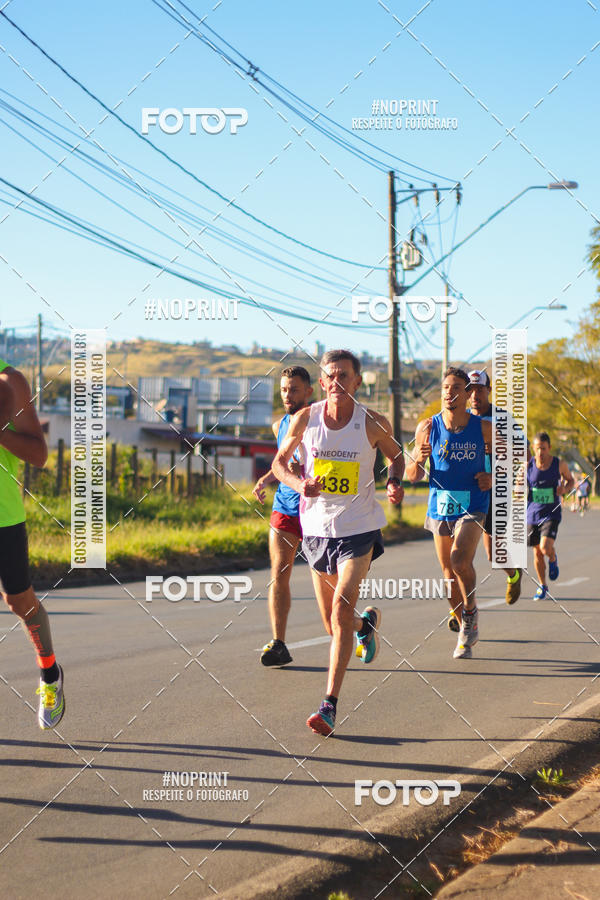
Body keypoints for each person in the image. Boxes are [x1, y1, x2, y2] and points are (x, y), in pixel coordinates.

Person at [272, 350, 404, 736]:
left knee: (341, 608)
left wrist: (394, 481)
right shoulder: (305, 418)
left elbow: (396, 457)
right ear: (323, 380)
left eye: (344, 375)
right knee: (334, 624)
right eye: (330, 376)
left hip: (359, 529)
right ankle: (367, 625)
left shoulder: (372, 423)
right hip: (315, 530)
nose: (336, 382)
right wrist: (300, 484)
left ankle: (328, 705)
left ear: (358, 381)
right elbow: (279, 464)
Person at [406, 367, 492, 659]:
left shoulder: (483, 428)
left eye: (456, 387)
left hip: (473, 504)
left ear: (468, 394)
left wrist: (492, 477)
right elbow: (412, 475)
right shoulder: (427, 427)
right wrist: (418, 458)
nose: (449, 393)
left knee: (459, 560)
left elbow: (513, 459)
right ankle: (464, 618)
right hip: (440, 505)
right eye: (445, 387)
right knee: (448, 575)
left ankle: (471, 614)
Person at [0, 359, 65, 729]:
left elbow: (39, 455)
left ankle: (49, 674)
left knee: (19, 601)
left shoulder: (10, 382)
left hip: (3, 515)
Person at [252, 366, 313, 667]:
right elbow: (283, 463)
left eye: (294, 390)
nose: (288, 395)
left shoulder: (320, 421)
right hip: (286, 506)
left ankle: (358, 626)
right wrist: (266, 478)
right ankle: (279, 643)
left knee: (328, 581)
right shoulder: (279, 426)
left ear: (309, 392)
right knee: (279, 572)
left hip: (318, 509)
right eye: (284, 390)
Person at [467, 370, 524, 605]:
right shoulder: (462, 419)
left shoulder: (504, 418)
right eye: (470, 390)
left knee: (495, 555)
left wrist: (500, 451)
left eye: (480, 389)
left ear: (489, 391)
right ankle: (462, 608)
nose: (474, 395)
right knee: (458, 554)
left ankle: (514, 574)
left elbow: (524, 453)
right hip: (468, 491)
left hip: (496, 491)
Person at [527, 432, 574, 600]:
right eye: (538, 448)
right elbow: (519, 486)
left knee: (545, 548)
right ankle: (542, 585)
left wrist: (565, 489)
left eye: (544, 449)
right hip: (532, 514)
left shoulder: (559, 464)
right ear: (533, 448)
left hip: (551, 513)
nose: (540, 452)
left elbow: (570, 480)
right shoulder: (527, 466)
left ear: (549, 448)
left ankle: (553, 558)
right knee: (537, 553)